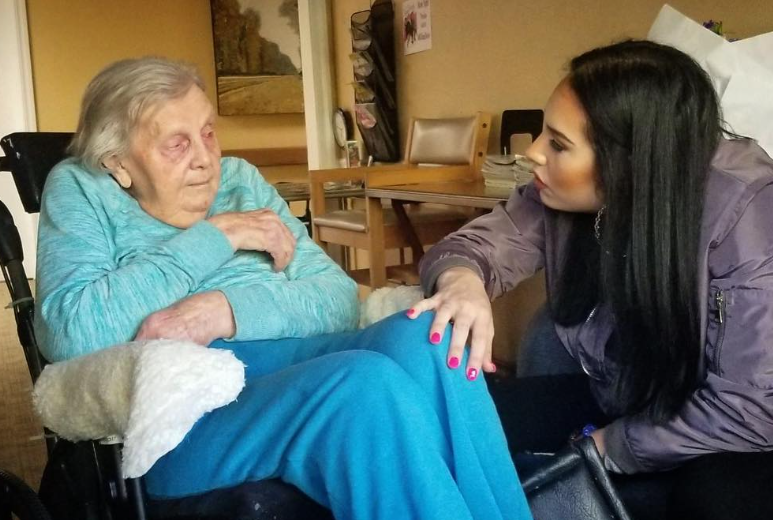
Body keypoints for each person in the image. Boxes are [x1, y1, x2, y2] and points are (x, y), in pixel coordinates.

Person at [34, 57, 531, 520]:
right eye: (177, 144)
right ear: (119, 163)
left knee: (431, 335)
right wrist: (217, 236)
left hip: (299, 363)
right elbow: (71, 334)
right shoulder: (82, 188)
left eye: (208, 132)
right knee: (361, 387)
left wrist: (223, 310)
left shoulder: (240, 180)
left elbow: (336, 299)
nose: (206, 159)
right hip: (187, 419)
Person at [412, 40, 773, 520]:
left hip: (730, 426)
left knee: (717, 503)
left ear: (628, 162)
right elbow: (476, 247)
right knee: (453, 417)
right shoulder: (553, 193)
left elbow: (752, 408)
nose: (532, 153)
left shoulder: (748, 208)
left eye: (557, 143)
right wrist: (461, 281)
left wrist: (608, 448)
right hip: (624, 393)